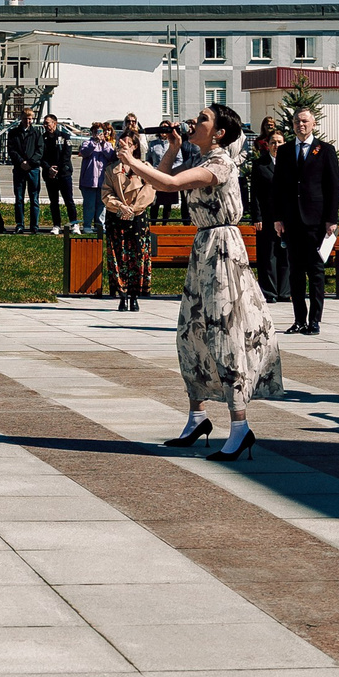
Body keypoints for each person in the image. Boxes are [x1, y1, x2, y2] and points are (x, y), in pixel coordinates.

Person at [113, 102, 283, 460]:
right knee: (192, 332)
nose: (194, 121)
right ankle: (197, 418)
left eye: (203, 119)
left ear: (219, 132)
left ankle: (240, 427)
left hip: (222, 250)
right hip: (204, 247)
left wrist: (129, 159)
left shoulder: (220, 163)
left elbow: (171, 182)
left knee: (224, 333)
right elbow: (160, 182)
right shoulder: (202, 159)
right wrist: (173, 147)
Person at [273, 108, 339, 337]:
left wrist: (331, 219)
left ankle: (314, 321)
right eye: (296, 121)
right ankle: (298, 320)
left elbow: (334, 186)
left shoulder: (325, 150)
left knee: (315, 273)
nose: (300, 125)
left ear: (313, 123)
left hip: (316, 221)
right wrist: (277, 218)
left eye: (304, 121)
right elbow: (279, 187)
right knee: (295, 273)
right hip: (292, 221)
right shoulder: (284, 152)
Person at [101, 123, 159, 312]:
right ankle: (121, 294)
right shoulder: (112, 169)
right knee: (119, 256)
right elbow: (106, 194)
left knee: (136, 256)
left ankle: (134, 295)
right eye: (120, 143)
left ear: (134, 146)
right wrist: (120, 207)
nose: (123, 146)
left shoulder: (144, 167)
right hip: (117, 216)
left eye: (127, 143)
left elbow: (150, 191)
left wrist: (133, 209)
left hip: (137, 217)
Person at [246, 120, 288, 304]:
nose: (276, 145)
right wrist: (257, 217)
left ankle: (285, 292)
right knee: (268, 255)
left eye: (279, 142)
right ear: (267, 145)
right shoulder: (260, 165)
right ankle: (269, 292)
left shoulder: (291, 164)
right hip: (267, 218)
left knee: (286, 255)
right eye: (272, 142)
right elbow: (254, 193)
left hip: (288, 218)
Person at [5, 104, 45, 233]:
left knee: (34, 198)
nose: (27, 121)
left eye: (30, 119)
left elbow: (40, 150)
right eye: (25, 118)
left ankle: (34, 225)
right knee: (19, 198)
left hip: (33, 169)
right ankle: (20, 224)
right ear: (21, 118)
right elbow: (11, 150)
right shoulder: (13, 133)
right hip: (19, 169)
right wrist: (21, 162)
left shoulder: (37, 133)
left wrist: (31, 162)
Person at [42, 111, 77, 233]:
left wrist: (57, 169)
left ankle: (74, 225)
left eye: (48, 123)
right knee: (54, 202)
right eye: (44, 124)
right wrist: (48, 169)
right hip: (50, 176)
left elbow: (66, 155)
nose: (46, 126)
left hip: (64, 174)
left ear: (54, 123)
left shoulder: (65, 137)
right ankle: (56, 225)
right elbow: (41, 156)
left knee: (69, 201)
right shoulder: (42, 139)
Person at [78, 123, 114, 240]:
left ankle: (99, 225)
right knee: (89, 205)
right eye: (96, 132)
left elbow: (111, 156)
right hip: (89, 181)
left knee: (101, 205)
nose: (98, 134)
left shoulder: (107, 145)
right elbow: (84, 152)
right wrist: (95, 143)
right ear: (92, 133)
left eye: (100, 132)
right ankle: (87, 225)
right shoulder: (87, 143)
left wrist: (103, 143)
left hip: (102, 181)